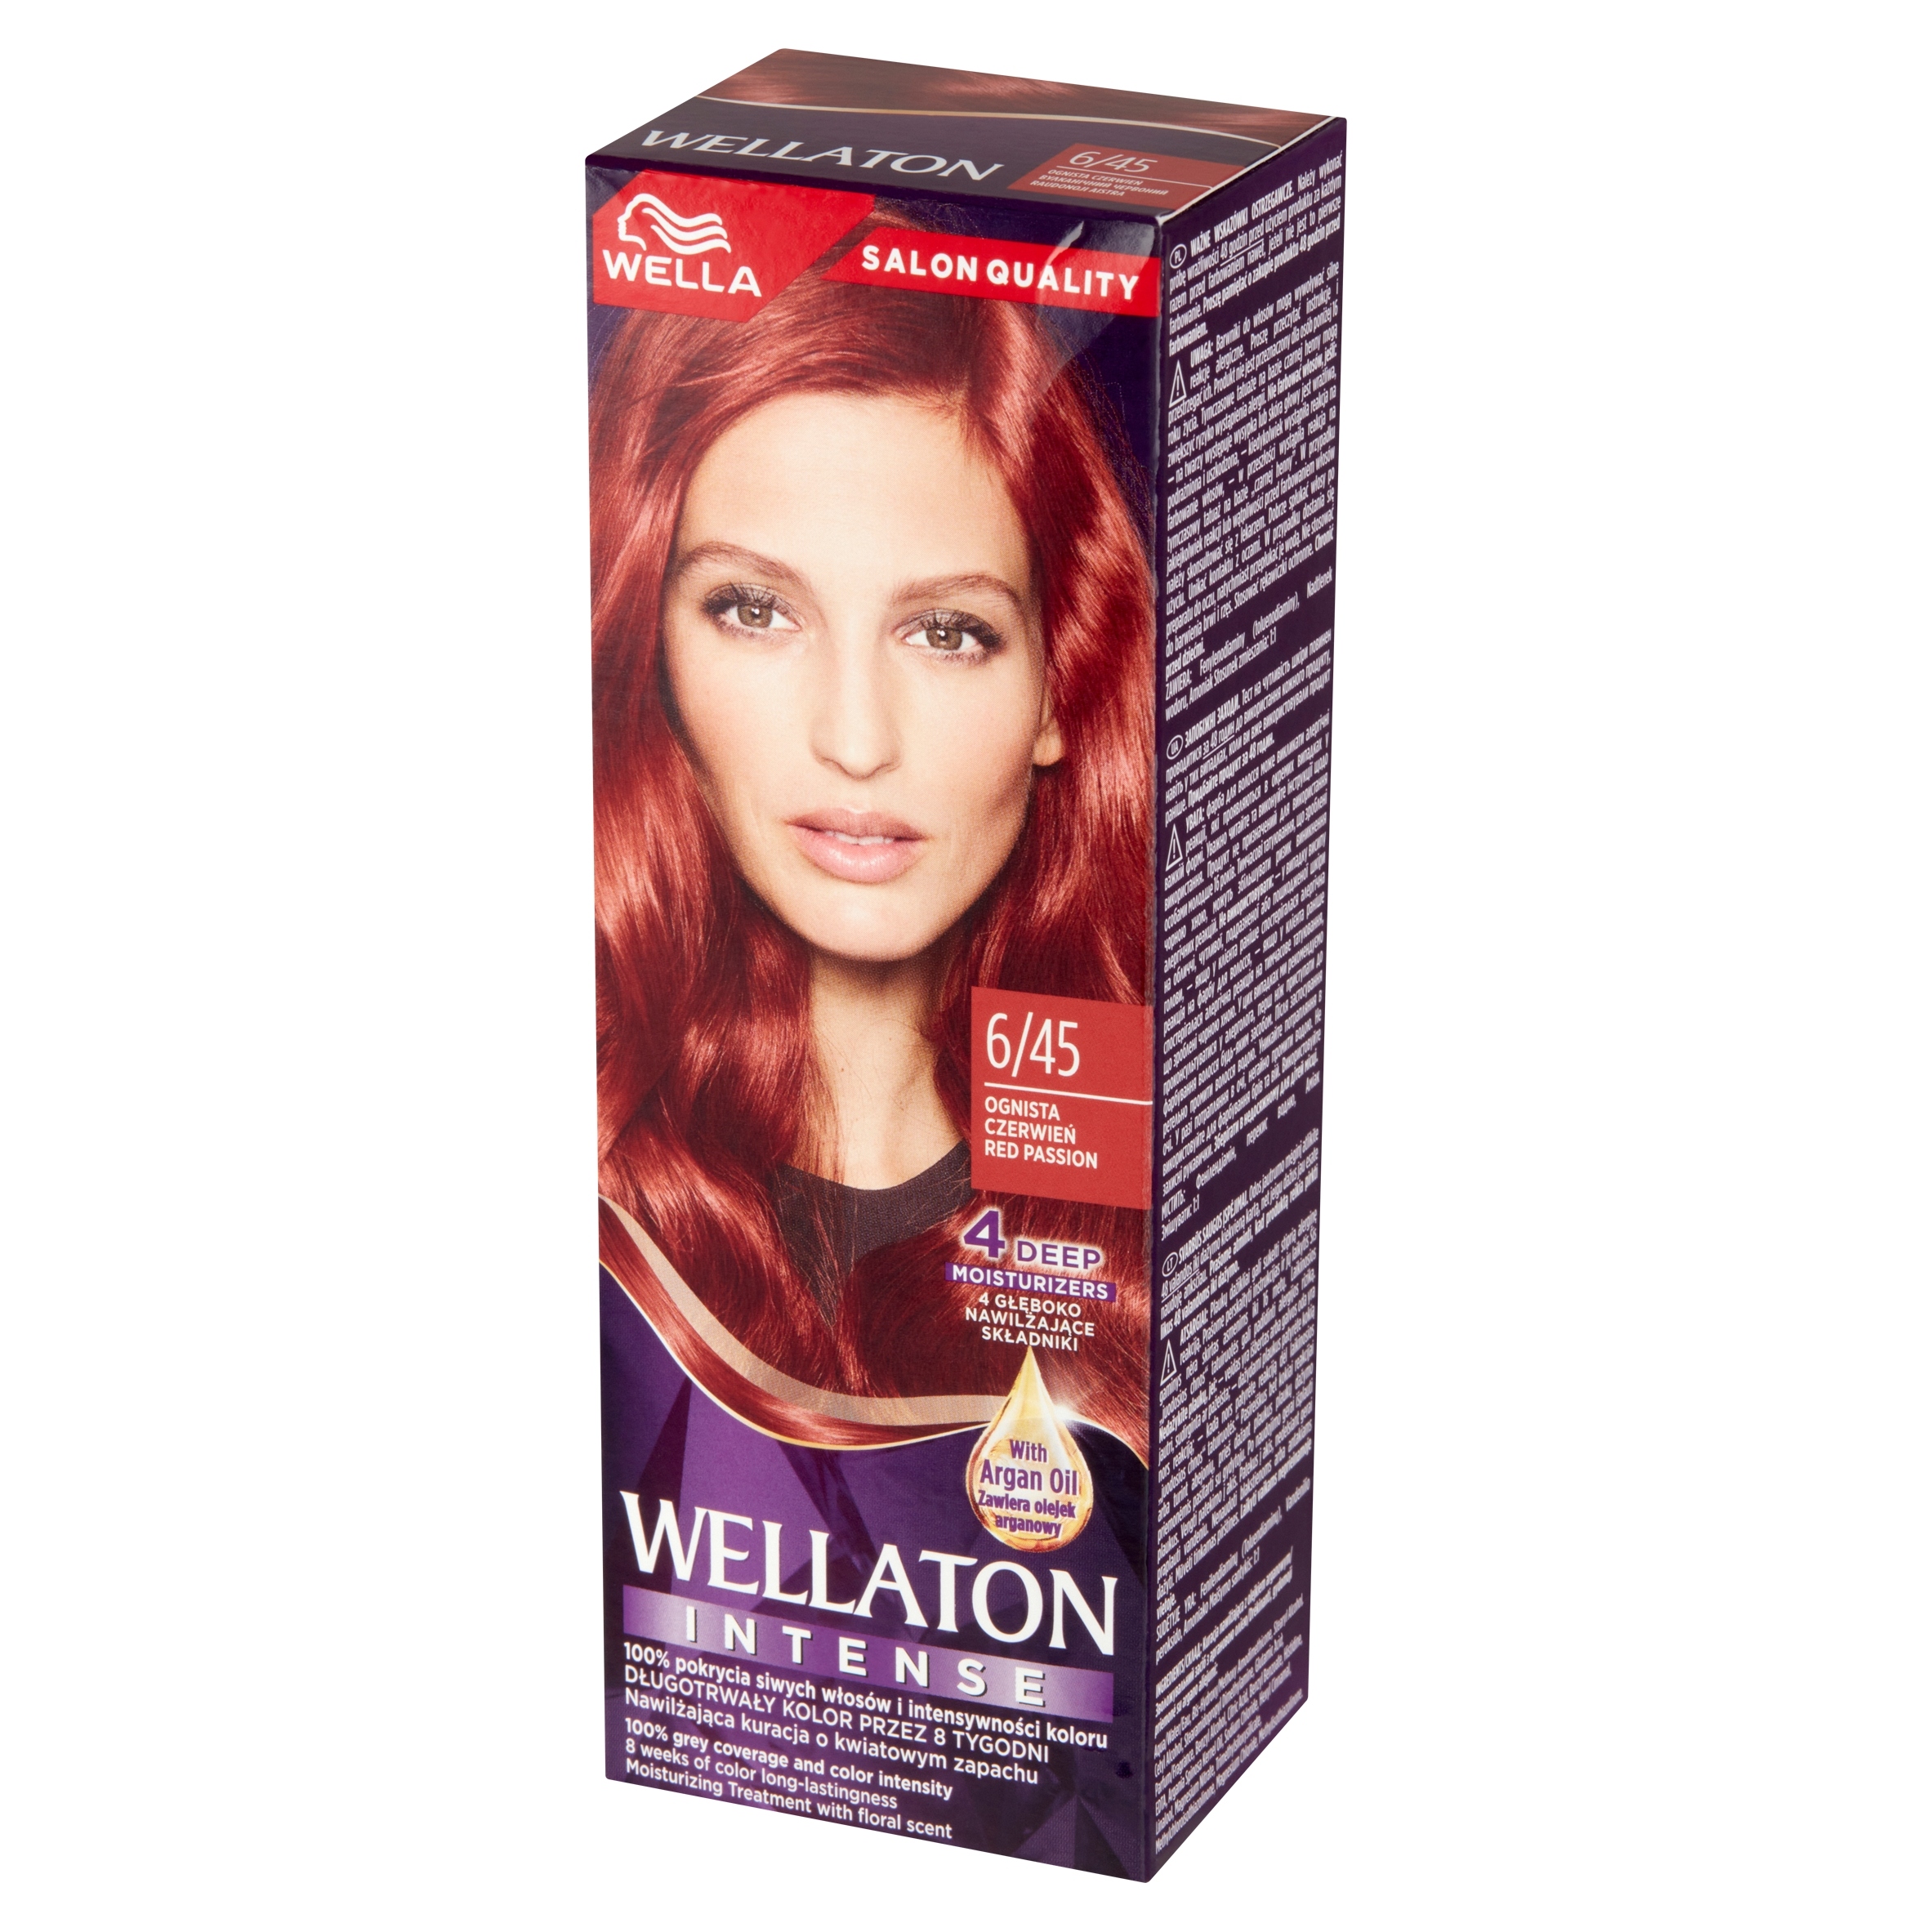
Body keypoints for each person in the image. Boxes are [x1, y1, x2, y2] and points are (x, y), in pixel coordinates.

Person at [591, 221, 1153, 1456]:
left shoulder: (1154, 1213)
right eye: (754, 609)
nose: (854, 740)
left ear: (1059, 689)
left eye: (947, 632)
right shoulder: (591, 1172)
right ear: (651, 648)